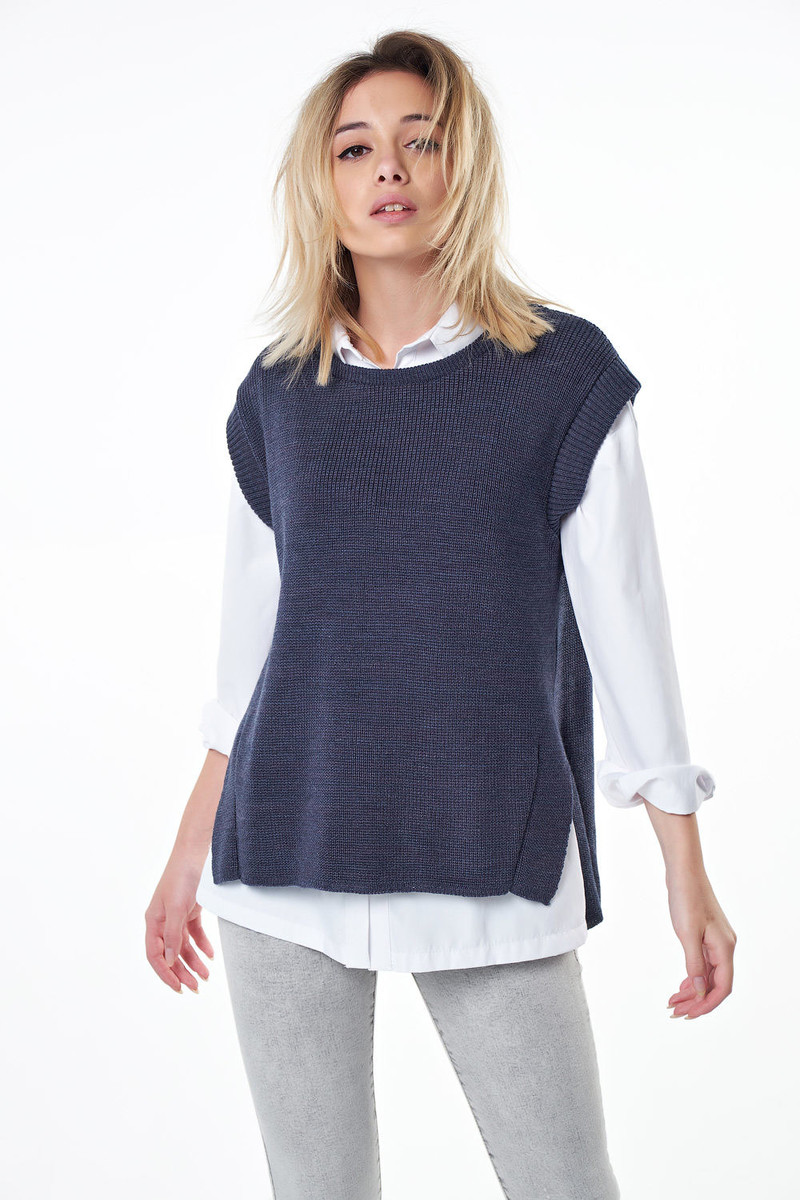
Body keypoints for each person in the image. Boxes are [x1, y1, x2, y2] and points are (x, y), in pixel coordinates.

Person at [145, 29, 736, 1200]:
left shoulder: (561, 377)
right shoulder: (277, 395)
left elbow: (627, 628)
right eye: (354, 148)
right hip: (283, 857)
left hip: (487, 855)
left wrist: (686, 868)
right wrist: (182, 858)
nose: (387, 169)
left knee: (564, 1182)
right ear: (321, 182)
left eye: (420, 141)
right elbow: (246, 660)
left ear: (462, 165)